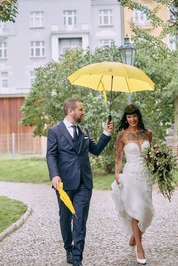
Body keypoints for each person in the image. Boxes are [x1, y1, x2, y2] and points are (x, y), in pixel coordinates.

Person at [46, 98, 113, 266]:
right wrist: (54, 175)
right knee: (65, 218)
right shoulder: (55, 131)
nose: (84, 112)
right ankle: (68, 248)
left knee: (80, 220)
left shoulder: (84, 132)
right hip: (63, 184)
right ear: (71, 111)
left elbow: (96, 150)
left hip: (84, 183)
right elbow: (51, 155)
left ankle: (77, 259)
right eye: (81, 109)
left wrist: (106, 133)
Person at [113, 103, 154, 265]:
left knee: (146, 210)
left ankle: (134, 237)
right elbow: (118, 157)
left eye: (134, 116)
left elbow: (149, 156)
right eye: (129, 117)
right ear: (126, 118)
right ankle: (140, 248)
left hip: (146, 175)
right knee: (136, 209)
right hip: (130, 174)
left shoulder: (147, 133)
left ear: (139, 116)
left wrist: (159, 161)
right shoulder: (121, 135)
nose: (132, 119)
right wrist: (117, 173)